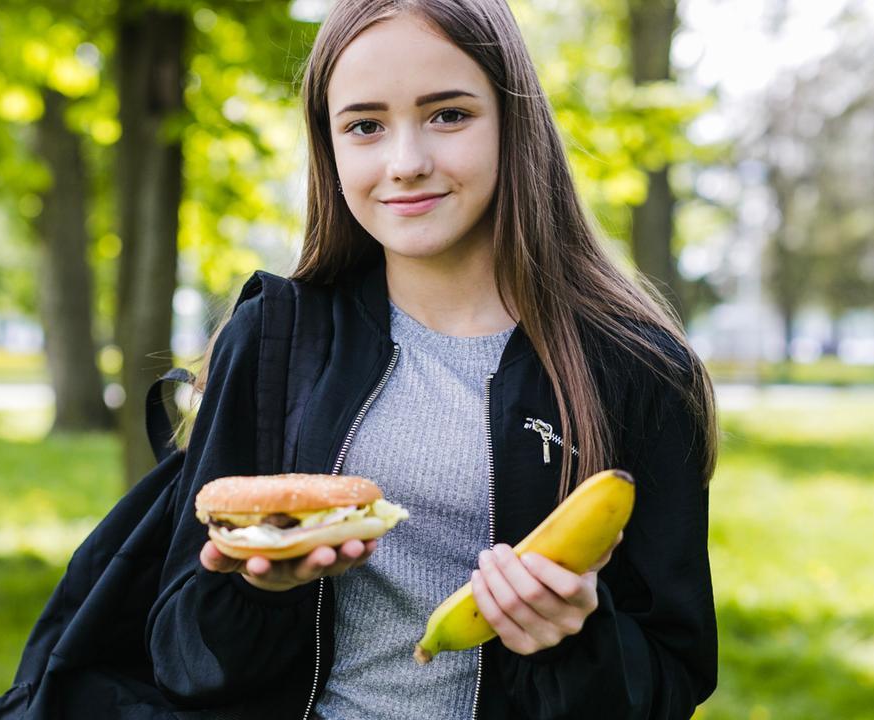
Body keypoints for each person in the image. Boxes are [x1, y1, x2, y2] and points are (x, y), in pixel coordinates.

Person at [141, 1, 718, 719]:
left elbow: (672, 681)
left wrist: (573, 637)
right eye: (365, 126)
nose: (406, 163)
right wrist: (255, 591)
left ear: (515, 123)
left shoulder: (640, 369)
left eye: (448, 115)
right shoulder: (271, 341)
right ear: (330, 147)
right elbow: (182, 659)